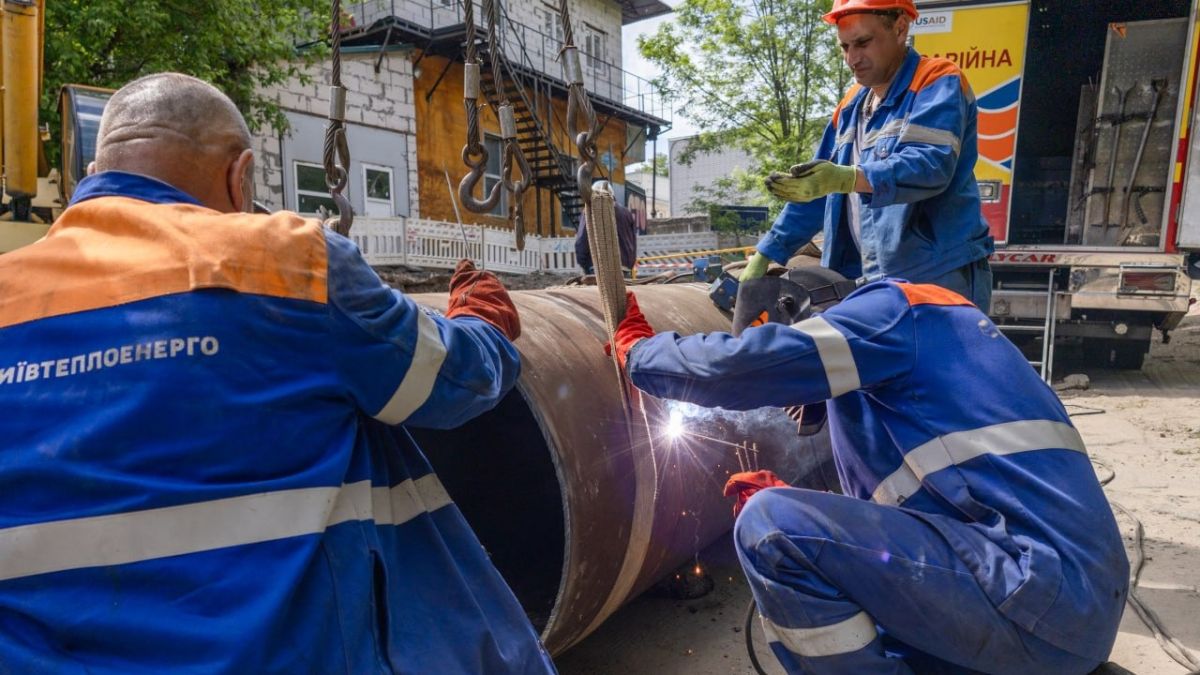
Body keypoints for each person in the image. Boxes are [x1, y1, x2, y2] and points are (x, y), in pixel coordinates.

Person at [0, 73, 556, 674]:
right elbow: (450, 383)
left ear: (92, 172)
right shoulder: (285, 263)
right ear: (240, 177)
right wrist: (482, 322)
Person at [605, 271, 1128, 674]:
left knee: (770, 528)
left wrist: (643, 353)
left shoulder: (891, 310)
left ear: (808, 319)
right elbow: (926, 529)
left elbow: (740, 367)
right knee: (839, 586)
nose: (792, 406)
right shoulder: (935, 359)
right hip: (1064, 608)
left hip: (1035, 594)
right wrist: (821, 533)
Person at [743, 0, 995, 310]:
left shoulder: (936, 81)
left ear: (900, 28)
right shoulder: (850, 105)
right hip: (864, 280)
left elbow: (930, 165)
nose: (852, 58)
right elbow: (815, 192)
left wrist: (848, 178)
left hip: (936, 277)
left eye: (862, 43)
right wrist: (768, 252)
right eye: (844, 47)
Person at [575, 180, 638, 276]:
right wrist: (630, 262)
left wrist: (584, 264)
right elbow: (633, 240)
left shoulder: (590, 211)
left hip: (599, 267)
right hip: (625, 266)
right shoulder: (626, 213)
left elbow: (582, 241)